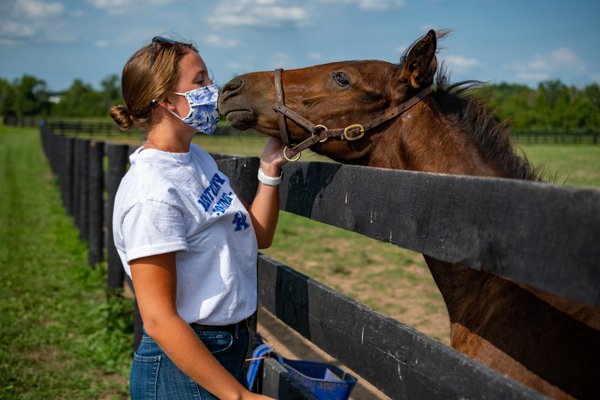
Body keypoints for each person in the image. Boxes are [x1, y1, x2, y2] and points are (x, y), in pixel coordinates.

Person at [110, 36, 284, 400]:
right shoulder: (152, 193)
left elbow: (256, 236)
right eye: (200, 80)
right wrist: (238, 396)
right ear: (167, 100)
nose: (213, 89)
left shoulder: (196, 159)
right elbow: (158, 320)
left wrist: (269, 170)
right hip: (181, 367)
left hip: (225, 347)